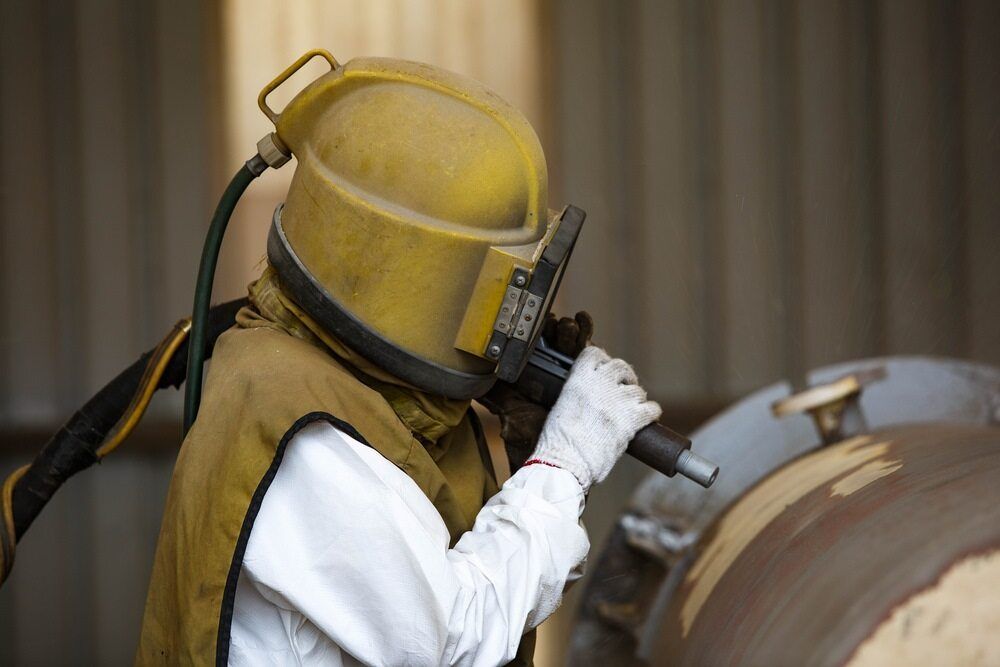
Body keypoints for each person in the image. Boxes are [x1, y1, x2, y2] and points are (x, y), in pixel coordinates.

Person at [136, 54, 660, 667]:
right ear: (414, 272)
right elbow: (451, 644)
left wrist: (531, 470)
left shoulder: (336, 383)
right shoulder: (303, 433)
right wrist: (561, 470)